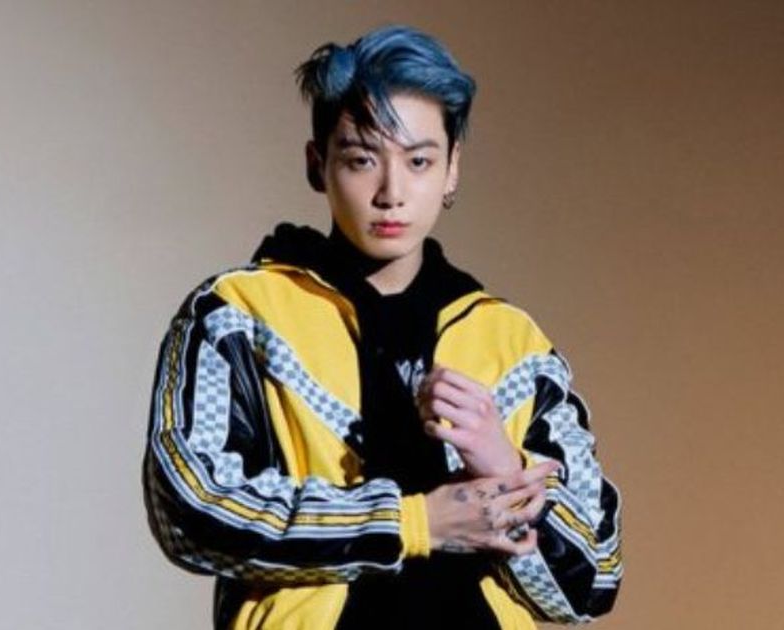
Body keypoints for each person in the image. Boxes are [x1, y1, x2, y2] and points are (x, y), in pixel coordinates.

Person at [142, 24, 622, 629]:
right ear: (318, 165)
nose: (392, 193)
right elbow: (189, 511)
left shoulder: (513, 344)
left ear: (452, 169)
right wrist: (414, 522)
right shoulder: (236, 317)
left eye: (419, 161)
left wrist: (503, 467)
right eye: (362, 159)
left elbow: (594, 581)